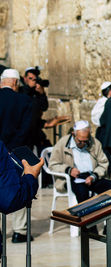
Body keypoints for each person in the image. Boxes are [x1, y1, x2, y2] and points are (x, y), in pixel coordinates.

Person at [48, 120, 111, 236]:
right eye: (80, 141)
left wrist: (93, 176)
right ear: (74, 135)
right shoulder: (63, 143)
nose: (83, 144)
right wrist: (68, 170)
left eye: (86, 141)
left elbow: (103, 163)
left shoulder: (95, 143)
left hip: (92, 175)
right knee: (82, 192)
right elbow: (53, 164)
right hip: (73, 177)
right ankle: (89, 225)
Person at [0, 68, 35, 243]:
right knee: (18, 185)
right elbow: (27, 129)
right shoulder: (25, 101)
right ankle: (19, 231)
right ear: (15, 83)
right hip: (16, 152)